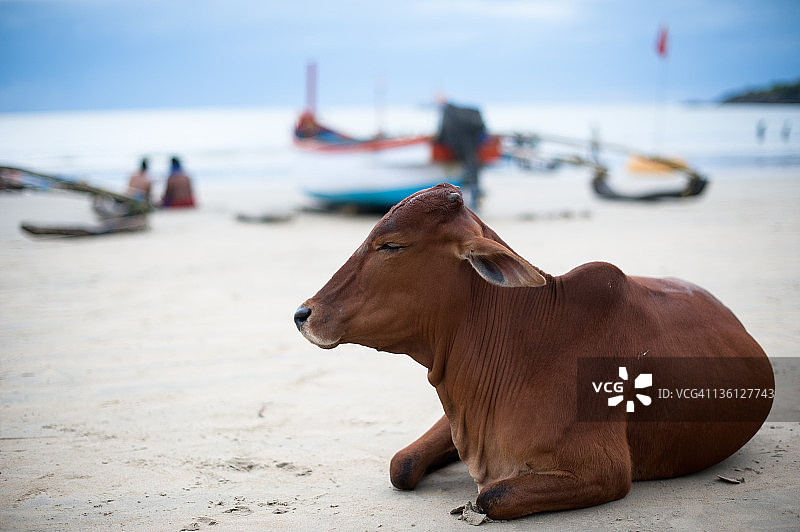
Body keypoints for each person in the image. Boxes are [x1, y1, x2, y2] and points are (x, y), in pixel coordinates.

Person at [436, 100, 486, 210]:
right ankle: (473, 201)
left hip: (460, 151)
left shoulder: (448, 113)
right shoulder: (468, 115)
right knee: (472, 173)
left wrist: (438, 142)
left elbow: (443, 133)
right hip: (472, 150)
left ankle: (469, 202)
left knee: (467, 174)